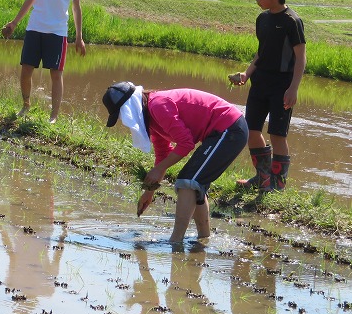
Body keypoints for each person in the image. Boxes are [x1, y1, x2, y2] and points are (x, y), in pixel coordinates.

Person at [102, 81, 248, 243]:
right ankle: (204, 240)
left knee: (188, 181)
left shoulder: (158, 106)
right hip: (220, 132)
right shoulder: (152, 118)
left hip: (229, 128)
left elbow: (186, 143)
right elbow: (163, 154)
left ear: (129, 108)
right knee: (195, 184)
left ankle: (175, 241)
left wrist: (159, 169)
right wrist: (149, 191)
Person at [229, 0, 306, 192]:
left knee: (277, 134)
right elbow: (261, 53)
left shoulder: (292, 21)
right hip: (260, 83)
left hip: (282, 86)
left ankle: (277, 184)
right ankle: (262, 178)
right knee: (251, 130)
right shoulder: (262, 19)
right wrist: (246, 74)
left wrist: (293, 88)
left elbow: (301, 57)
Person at [1, 0, 85, 123]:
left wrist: (79, 37)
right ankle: (26, 105)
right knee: (26, 69)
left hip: (57, 32)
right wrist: (14, 22)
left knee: (56, 74)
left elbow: (76, 8)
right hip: (34, 27)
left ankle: (53, 116)